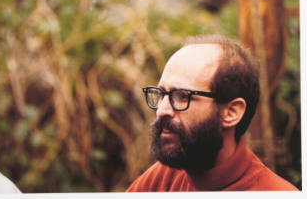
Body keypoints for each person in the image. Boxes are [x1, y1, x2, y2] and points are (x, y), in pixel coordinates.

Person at [127, 35, 298, 191]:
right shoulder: (161, 180)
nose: (162, 110)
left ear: (231, 112)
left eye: (181, 96)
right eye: (161, 94)